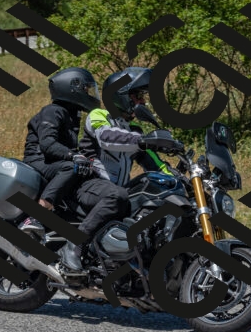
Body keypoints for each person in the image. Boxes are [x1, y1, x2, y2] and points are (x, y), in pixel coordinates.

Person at [57, 66, 178, 275]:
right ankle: (74, 245)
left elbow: (155, 164)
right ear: (121, 95)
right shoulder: (99, 115)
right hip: (88, 185)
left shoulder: (134, 131)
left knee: (150, 200)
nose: (143, 101)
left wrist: (178, 179)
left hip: (114, 191)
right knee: (118, 195)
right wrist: (142, 140)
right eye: (137, 96)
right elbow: (107, 137)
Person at [20, 67, 100, 233]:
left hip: (53, 161)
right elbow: (47, 144)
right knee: (72, 167)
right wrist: (73, 156)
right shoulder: (53, 111)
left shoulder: (71, 114)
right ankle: (36, 216)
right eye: (86, 89)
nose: (89, 93)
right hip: (37, 160)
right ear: (72, 88)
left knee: (90, 171)